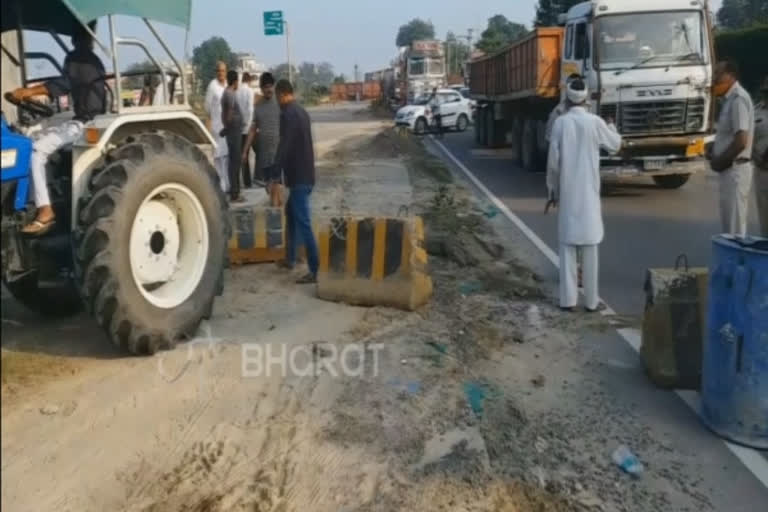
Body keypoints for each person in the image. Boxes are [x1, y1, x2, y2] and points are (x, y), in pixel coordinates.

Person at [9, 21, 106, 235]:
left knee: (35, 150)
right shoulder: (91, 59)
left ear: (75, 38)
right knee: (31, 135)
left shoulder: (79, 58)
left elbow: (62, 85)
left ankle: (45, 210)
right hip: (81, 116)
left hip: (86, 121)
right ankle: (33, 199)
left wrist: (26, 92)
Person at [547, 78, 622, 312]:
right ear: (587, 98)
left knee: (567, 247)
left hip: (568, 193)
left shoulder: (560, 123)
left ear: (567, 99)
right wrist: (612, 126)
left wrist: (552, 191)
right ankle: (591, 301)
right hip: (589, 193)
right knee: (590, 248)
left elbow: (553, 163)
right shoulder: (595, 122)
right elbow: (615, 145)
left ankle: (567, 300)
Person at [274, 79, 319, 284]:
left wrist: (275, 176)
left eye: (277, 97)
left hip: (299, 177)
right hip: (306, 174)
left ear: (283, 94)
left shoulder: (287, 114)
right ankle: (290, 258)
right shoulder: (302, 112)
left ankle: (315, 270)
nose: (277, 102)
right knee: (291, 213)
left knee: (303, 223)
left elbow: (284, 146)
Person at [708, 60, 755, 237]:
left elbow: (741, 140)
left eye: (718, 74)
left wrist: (720, 161)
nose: (715, 78)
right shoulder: (728, 100)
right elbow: (729, 136)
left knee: (734, 230)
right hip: (729, 170)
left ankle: (737, 264)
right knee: (729, 227)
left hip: (735, 170)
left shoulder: (739, 99)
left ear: (731, 75)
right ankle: (732, 264)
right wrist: (714, 149)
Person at [242, 72, 282, 205]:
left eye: (271, 86)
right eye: (266, 87)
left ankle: (276, 212)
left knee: (276, 185)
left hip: (279, 152)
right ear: (261, 89)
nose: (269, 89)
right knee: (269, 187)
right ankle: (277, 210)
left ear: (274, 86)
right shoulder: (257, 107)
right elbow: (253, 129)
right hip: (264, 154)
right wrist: (245, 150)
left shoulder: (280, 103)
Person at [205, 61, 229, 193]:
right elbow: (207, 109)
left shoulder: (227, 85)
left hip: (227, 128)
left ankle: (228, 186)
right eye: (219, 71)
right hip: (216, 128)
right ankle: (221, 187)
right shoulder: (212, 86)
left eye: (223, 71)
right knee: (219, 158)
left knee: (227, 157)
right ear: (216, 72)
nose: (221, 73)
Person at [221, 70, 244, 202]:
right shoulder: (230, 94)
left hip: (232, 130)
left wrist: (226, 127)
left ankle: (234, 190)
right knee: (235, 161)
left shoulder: (226, 92)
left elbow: (225, 113)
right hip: (234, 130)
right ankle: (235, 193)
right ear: (235, 81)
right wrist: (227, 128)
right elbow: (229, 113)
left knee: (233, 161)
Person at [754, 77, 768, 237]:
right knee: (764, 220)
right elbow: (748, 139)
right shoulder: (756, 111)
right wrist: (755, 157)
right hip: (761, 172)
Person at [237, 72, 255, 188]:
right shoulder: (249, 91)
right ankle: (248, 182)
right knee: (246, 154)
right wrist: (249, 123)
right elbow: (250, 108)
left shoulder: (237, 91)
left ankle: (238, 182)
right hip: (247, 127)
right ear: (249, 81)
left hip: (238, 127)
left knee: (240, 154)